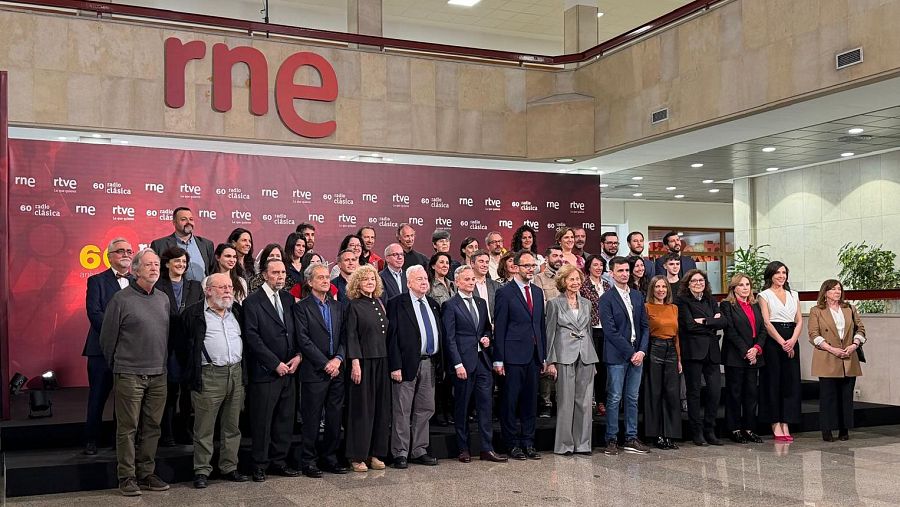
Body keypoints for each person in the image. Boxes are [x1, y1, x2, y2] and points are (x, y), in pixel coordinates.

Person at [98, 248, 170, 496]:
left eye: (157, 265)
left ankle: (146, 473)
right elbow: (107, 339)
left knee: (153, 427)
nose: (154, 268)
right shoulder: (121, 299)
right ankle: (126, 477)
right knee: (128, 428)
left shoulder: (163, 299)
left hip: (158, 373)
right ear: (136, 270)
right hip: (129, 374)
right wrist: (120, 366)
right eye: (148, 265)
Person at [179, 272, 250, 489]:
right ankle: (202, 470)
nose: (228, 291)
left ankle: (229, 467)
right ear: (208, 291)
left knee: (232, 426)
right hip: (208, 375)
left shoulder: (236, 311)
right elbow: (181, 348)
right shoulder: (193, 314)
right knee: (204, 427)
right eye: (222, 287)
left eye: (229, 287)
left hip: (235, 373)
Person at [243, 259, 301, 482]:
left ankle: (279, 461)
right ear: (265, 275)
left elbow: (294, 331)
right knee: (263, 421)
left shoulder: (288, 298)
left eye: (283, 272)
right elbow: (252, 337)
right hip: (266, 372)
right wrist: (274, 363)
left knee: (284, 420)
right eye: (275, 272)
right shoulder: (252, 301)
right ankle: (259, 464)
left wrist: (298, 356)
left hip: (290, 370)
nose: (280, 276)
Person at [442, 265, 507, 463]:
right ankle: (463, 449)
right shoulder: (450, 305)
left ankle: (487, 448)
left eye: (473, 279)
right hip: (463, 364)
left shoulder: (480, 302)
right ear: (457, 282)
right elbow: (449, 338)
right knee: (462, 407)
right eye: (467, 279)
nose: (471, 282)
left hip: (482, 362)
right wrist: (457, 364)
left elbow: (486, 328)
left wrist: (487, 337)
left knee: (485, 406)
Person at [293, 263, 350, 476]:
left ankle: (330, 458)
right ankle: (308, 461)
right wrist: (325, 363)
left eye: (327, 277)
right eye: (320, 277)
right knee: (312, 418)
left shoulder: (338, 306)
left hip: (337, 370)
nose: (326, 280)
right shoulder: (301, 307)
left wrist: (338, 359)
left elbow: (345, 336)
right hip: (314, 371)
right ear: (309, 282)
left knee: (334, 418)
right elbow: (303, 340)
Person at [387, 265, 444, 469]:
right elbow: (392, 337)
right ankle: (400, 452)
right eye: (419, 279)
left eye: (425, 279)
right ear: (409, 282)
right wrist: (395, 366)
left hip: (429, 363)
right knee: (402, 410)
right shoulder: (397, 303)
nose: (424, 282)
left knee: (425, 408)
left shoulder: (432, 304)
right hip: (405, 365)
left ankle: (419, 450)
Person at [492, 250, 547, 461]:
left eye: (533, 265)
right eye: (526, 266)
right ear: (515, 267)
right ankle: (512, 444)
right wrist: (498, 358)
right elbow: (500, 327)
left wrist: (543, 355)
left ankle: (528, 443)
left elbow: (540, 326)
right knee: (510, 402)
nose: (531, 269)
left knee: (530, 403)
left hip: (533, 356)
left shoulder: (538, 292)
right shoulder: (505, 293)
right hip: (512, 357)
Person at [82, 238, 134, 456]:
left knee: (124, 400)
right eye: (120, 251)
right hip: (101, 349)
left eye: (129, 251)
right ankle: (91, 440)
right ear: (109, 256)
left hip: (129, 351)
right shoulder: (97, 281)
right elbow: (94, 313)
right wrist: (119, 332)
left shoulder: (137, 282)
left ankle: (118, 441)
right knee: (98, 396)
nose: (126, 254)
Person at [599, 256, 650, 456]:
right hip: (618, 355)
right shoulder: (606, 298)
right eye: (620, 271)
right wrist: (631, 353)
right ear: (611, 273)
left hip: (637, 355)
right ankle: (611, 439)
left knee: (632, 398)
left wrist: (642, 351)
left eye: (627, 270)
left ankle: (631, 437)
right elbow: (610, 331)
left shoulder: (637, 296)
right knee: (614, 398)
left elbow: (645, 326)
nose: (625, 274)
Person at [545, 264, 598, 455]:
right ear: (563, 281)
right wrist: (550, 361)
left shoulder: (587, 303)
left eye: (577, 279)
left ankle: (583, 444)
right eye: (571, 279)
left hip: (586, 355)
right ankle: (564, 445)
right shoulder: (554, 303)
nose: (575, 282)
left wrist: (593, 359)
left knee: (585, 402)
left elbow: (589, 331)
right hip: (564, 355)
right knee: (565, 402)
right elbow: (550, 333)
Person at [344, 265, 391, 472]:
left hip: (382, 360)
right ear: (358, 283)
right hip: (363, 363)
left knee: (381, 409)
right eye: (365, 279)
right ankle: (357, 456)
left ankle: (375, 454)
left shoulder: (379, 302)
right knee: (362, 410)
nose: (370, 282)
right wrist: (355, 362)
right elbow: (351, 336)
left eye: (372, 279)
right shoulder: (353, 306)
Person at [808, 279, 867, 442]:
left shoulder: (849, 309)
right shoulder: (816, 311)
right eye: (833, 289)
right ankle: (827, 429)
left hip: (848, 357)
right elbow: (813, 334)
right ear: (825, 292)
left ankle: (844, 429)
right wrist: (831, 349)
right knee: (828, 397)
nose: (837, 292)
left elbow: (861, 329)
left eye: (839, 289)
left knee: (846, 396)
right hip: (827, 357)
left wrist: (855, 344)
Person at [156, 246, 204, 447]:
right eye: (177, 261)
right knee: (169, 392)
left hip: (188, 346)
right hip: (166, 346)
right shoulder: (158, 286)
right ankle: (166, 433)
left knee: (187, 393)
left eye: (184, 262)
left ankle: (185, 430)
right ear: (167, 263)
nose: (181, 265)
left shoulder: (195, 286)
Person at [676, 268, 725, 446]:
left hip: (712, 351)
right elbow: (688, 325)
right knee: (694, 393)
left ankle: (710, 430)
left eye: (701, 281)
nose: (698, 283)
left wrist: (703, 321)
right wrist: (712, 321)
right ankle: (696, 432)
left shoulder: (711, 300)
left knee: (715, 392)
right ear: (688, 284)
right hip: (693, 352)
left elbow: (723, 322)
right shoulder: (682, 301)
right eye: (694, 281)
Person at [758, 261, 803, 442]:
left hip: (792, 338)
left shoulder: (794, 294)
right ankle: (775, 422)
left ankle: (786, 422)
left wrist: (792, 341)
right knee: (773, 381)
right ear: (770, 275)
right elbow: (766, 322)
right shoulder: (764, 295)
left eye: (784, 272)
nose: (781, 276)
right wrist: (782, 342)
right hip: (773, 340)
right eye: (777, 273)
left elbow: (799, 320)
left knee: (790, 382)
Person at [720, 273, 765, 444]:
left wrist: (756, 349)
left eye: (747, 284)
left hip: (754, 355)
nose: (745, 288)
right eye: (741, 285)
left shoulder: (755, 304)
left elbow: (763, 329)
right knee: (735, 393)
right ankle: (734, 429)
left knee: (751, 394)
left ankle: (749, 428)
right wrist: (746, 351)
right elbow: (730, 330)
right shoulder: (727, 305)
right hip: (736, 356)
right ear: (734, 288)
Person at [644, 275, 682, 450]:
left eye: (664, 287)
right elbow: (645, 332)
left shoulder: (674, 308)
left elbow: (677, 336)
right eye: (657, 287)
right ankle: (656, 434)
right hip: (655, 348)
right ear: (652, 289)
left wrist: (679, 359)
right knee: (655, 392)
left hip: (671, 350)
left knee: (672, 393)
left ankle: (670, 434)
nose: (661, 290)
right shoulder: (646, 307)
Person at [531, 244, 563, 418]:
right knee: (547, 363)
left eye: (560, 256)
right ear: (547, 258)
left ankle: (560, 401)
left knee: (562, 364)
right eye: (555, 255)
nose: (558, 259)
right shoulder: (539, 278)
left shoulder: (566, 277)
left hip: (565, 329)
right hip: (546, 326)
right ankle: (546, 403)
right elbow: (540, 305)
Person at [580, 254, 610, 417]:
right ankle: (588, 402)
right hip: (590, 330)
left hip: (606, 330)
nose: (598, 268)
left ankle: (601, 401)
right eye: (595, 265)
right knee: (591, 367)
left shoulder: (607, 285)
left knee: (603, 368)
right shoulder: (583, 285)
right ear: (589, 267)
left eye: (601, 265)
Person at [150, 207, 215, 281]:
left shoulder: (206, 244)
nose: (188, 222)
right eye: (183, 219)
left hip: (202, 288)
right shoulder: (159, 245)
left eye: (191, 219)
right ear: (174, 222)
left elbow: (212, 270)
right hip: (172, 287)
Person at [470, 249, 502, 320]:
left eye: (487, 262)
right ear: (472, 263)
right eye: (481, 261)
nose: (485, 265)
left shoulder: (496, 285)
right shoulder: (466, 285)